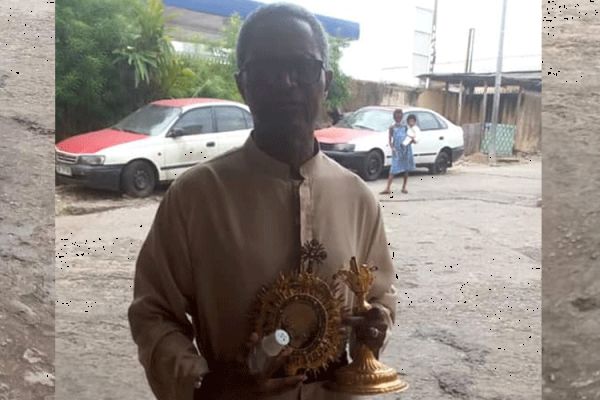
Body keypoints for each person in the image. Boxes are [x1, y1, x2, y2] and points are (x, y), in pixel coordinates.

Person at [128, 3, 397, 400]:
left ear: (325, 80)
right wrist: (203, 385)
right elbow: (153, 313)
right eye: (265, 70)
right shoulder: (195, 196)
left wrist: (374, 329)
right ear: (243, 85)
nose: (285, 82)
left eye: (302, 67)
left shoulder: (358, 198)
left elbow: (378, 298)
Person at [380, 111, 417, 195]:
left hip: (406, 149)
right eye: (397, 117)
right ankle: (388, 188)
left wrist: (412, 140)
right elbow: (390, 140)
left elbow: (410, 137)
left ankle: (404, 187)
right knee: (393, 169)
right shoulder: (392, 127)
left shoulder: (405, 127)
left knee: (406, 169)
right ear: (394, 118)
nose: (398, 119)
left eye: (400, 117)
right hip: (397, 151)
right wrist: (392, 148)